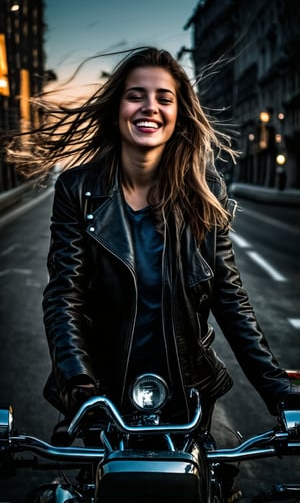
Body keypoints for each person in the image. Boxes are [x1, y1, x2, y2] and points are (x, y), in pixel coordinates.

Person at [6, 46, 296, 428]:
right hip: (102, 398)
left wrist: (278, 392)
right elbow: (64, 295)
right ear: (117, 109)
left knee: (212, 483)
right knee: (95, 488)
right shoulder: (77, 189)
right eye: (135, 96)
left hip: (189, 395)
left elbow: (229, 298)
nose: (150, 107)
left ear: (179, 113)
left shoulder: (205, 190)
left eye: (164, 98)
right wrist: (79, 383)